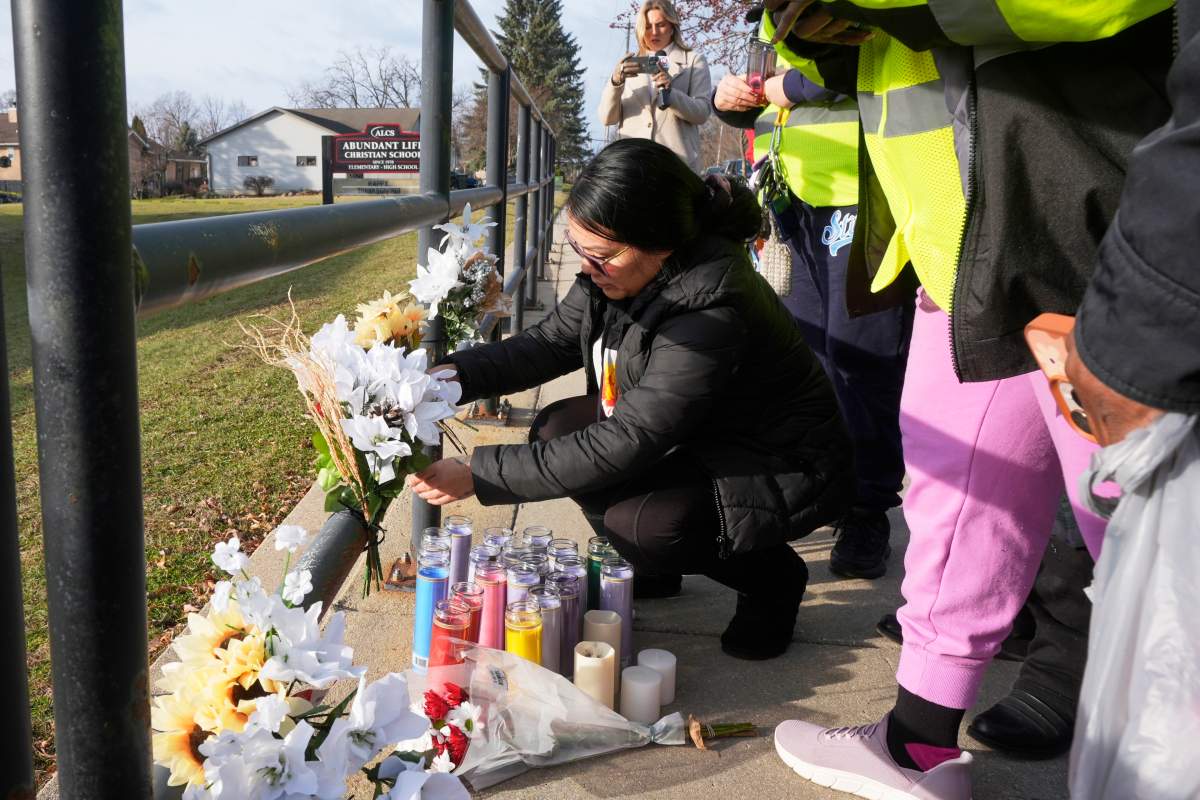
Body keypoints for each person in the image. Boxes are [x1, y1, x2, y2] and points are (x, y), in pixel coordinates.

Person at [753, 2, 1174, 798]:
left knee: (1144, 528)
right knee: (955, 495)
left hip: (1083, 229)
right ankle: (914, 744)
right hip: (972, 245)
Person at [407, 138, 855, 661]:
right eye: (579, 250)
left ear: (661, 242)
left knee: (645, 525)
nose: (587, 267)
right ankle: (651, 571)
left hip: (779, 460)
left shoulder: (709, 308)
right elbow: (546, 345)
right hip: (700, 434)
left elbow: (630, 438)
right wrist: (444, 379)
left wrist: (480, 473)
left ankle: (772, 578)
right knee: (556, 426)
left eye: (599, 255)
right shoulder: (615, 275)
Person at [712, 19, 913, 580]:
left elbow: (881, 53)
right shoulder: (773, 14)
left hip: (868, 188)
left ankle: (868, 508)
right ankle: (827, 492)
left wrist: (788, 87)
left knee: (863, 360)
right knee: (811, 360)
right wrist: (730, 100)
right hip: (797, 196)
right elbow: (766, 95)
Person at [599, 0, 712, 173]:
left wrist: (671, 94)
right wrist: (616, 82)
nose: (654, 32)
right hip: (633, 167)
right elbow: (608, 118)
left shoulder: (694, 61)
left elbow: (702, 112)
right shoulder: (628, 64)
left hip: (677, 169)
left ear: (673, 26)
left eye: (660, 25)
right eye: (648, 26)